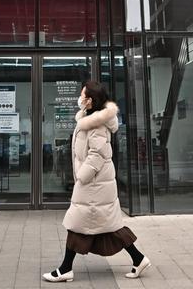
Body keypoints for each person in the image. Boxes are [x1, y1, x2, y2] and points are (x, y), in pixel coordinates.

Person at [43, 80, 151, 283]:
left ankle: (65, 269)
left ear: (90, 100)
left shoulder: (97, 125)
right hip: (96, 185)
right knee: (109, 227)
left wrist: (83, 176)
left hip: (93, 185)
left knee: (77, 224)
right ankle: (139, 258)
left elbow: (98, 154)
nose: (80, 97)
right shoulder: (88, 119)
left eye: (82, 94)